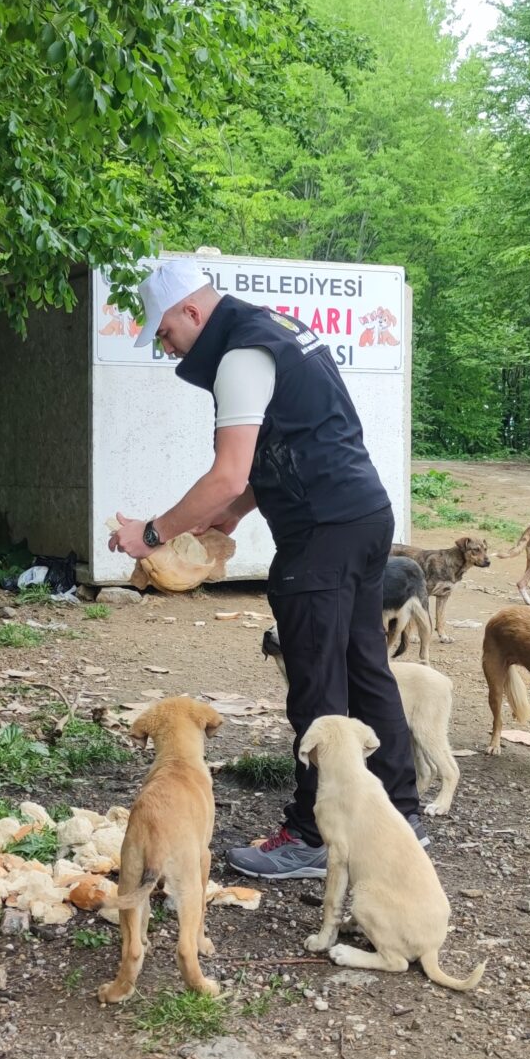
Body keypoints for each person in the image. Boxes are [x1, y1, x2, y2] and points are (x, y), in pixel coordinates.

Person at [107, 260, 421, 879]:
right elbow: (279, 453)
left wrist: (151, 534)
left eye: (165, 332)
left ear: (193, 313)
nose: (166, 348)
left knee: (317, 686)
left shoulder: (240, 355)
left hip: (321, 536)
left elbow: (228, 471)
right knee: (365, 667)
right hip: (363, 516)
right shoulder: (275, 329)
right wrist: (231, 516)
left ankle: (313, 836)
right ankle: (398, 815)